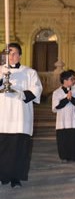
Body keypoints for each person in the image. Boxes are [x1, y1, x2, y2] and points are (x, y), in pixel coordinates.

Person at [0, 42, 43, 188]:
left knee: (19, 148)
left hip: (20, 116)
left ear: (20, 55)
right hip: (3, 116)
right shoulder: (0, 71)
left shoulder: (30, 72)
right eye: (9, 53)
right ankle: (2, 176)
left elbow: (36, 91)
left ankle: (16, 178)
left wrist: (18, 93)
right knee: (3, 148)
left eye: (15, 53)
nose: (12, 56)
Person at [52, 70, 75, 162]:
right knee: (63, 139)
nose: (73, 81)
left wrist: (71, 98)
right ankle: (64, 156)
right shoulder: (57, 92)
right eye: (71, 79)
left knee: (74, 139)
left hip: (73, 120)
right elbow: (56, 106)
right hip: (62, 121)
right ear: (65, 80)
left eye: (74, 79)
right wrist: (66, 99)